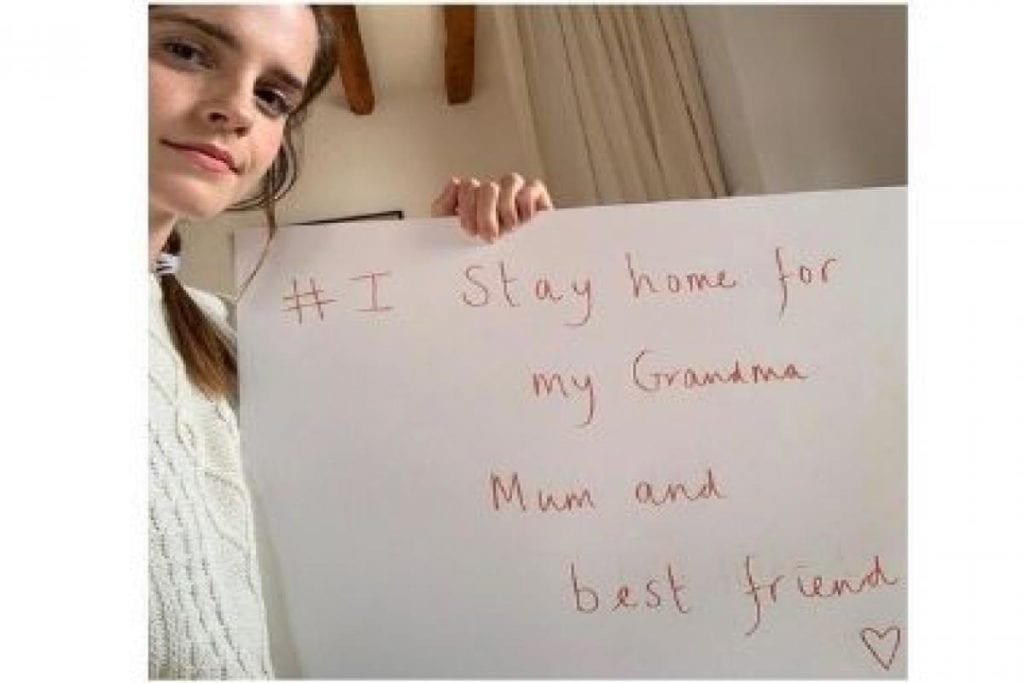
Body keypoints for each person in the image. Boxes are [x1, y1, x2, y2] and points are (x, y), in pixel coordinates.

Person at [148, 5, 553, 678]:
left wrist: (470, 283)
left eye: (272, 97)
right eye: (186, 51)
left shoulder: (234, 336)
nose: (238, 110)